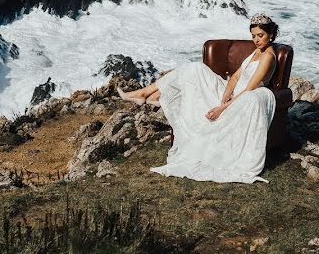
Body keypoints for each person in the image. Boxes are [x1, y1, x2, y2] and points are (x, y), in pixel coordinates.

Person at [117, 13, 279, 183]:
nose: (256, 40)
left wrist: (221, 108)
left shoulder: (268, 56)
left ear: (270, 34)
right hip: (230, 94)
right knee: (194, 68)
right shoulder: (256, 51)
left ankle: (150, 95)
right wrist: (225, 93)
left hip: (242, 101)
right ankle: (148, 93)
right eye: (253, 36)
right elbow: (236, 77)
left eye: (260, 36)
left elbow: (248, 89)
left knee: (194, 77)